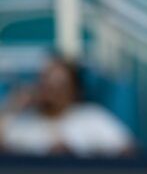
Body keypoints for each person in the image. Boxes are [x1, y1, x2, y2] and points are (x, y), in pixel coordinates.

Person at [0, 55, 134, 157]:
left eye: (59, 85)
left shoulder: (92, 117)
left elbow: (127, 150)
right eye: (46, 83)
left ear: (73, 90)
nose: (51, 91)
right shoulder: (23, 123)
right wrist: (14, 105)